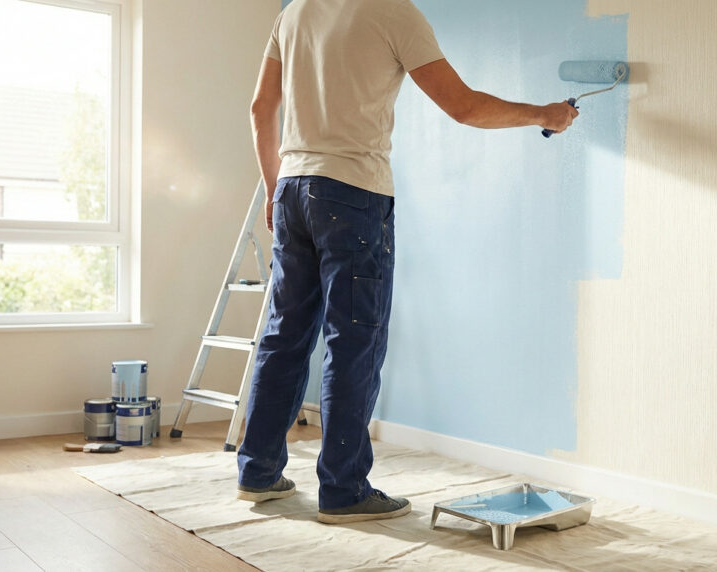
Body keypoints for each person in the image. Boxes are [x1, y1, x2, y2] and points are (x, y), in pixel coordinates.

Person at [236, 0, 578, 524]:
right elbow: (462, 107)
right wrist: (545, 115)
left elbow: (261, 107)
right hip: (352, 193)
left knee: (285, 336)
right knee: (354, 341)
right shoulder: (392, 11)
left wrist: (272, 187)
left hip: (292, 189)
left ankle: (257, 473)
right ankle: (343, 491)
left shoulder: (294, 11)